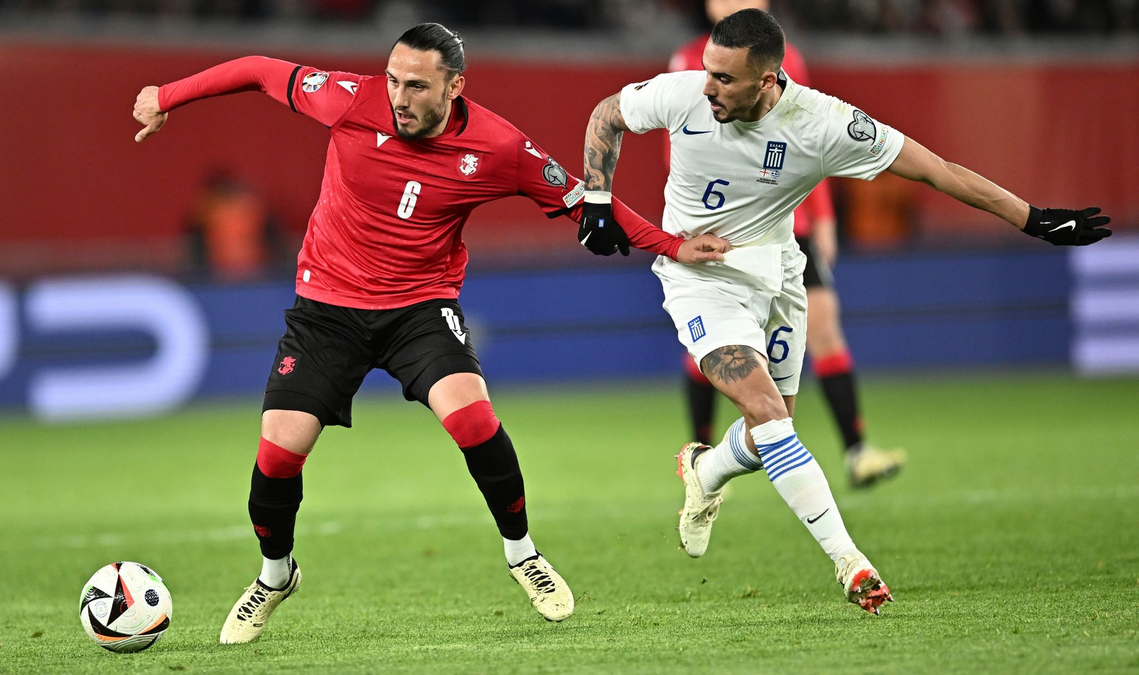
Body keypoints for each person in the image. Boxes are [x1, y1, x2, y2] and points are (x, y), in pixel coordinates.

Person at [132, 23, 730, 643]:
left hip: (419, 308)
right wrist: (166, 96)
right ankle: (275, 575)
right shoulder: (348, 99)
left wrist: (673, 245)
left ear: (454, 87)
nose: (398, 97)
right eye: (393, 80)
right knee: (277, 455)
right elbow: (258, 68)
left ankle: (523, 554)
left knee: (473, 419)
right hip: (326, 309)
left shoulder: (498, 147)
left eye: (416, 86)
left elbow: (583, 201)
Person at [581, 8, 1110, 615]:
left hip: (780, 271)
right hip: (699, 277)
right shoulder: (683, 94)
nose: (708, 87)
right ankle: (849, 561)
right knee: (767, 413)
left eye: (725, 79)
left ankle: (705, 470)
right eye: (708, 72)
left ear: (770, 78)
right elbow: (607, 116)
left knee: (769, 433)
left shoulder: (824, 123)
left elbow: (935, 170)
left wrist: (1032, 218)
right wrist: (598, 197)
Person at [670, 0, 905, 488]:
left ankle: (857, 452)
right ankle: (700, 458)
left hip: (788, 228)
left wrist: (822, 218)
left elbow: (807, 143)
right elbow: (682, 151)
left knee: (824, 330)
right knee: (710, 349)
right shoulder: (689, 62)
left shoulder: (786, 59)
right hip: (724, 228)